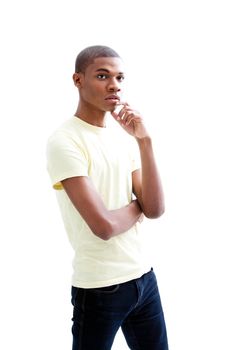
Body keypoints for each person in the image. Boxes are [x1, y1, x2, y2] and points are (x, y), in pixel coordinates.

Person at [46, 45, 169, 350]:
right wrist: (137, 207)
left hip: (144, 278)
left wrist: (145, 141)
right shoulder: (65, 140)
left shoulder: (122, 137)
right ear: (78, 80)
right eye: (102, 76)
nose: (114, 84)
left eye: (119, 77)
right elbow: (103, 226)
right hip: (101, 288)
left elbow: (155, 208)